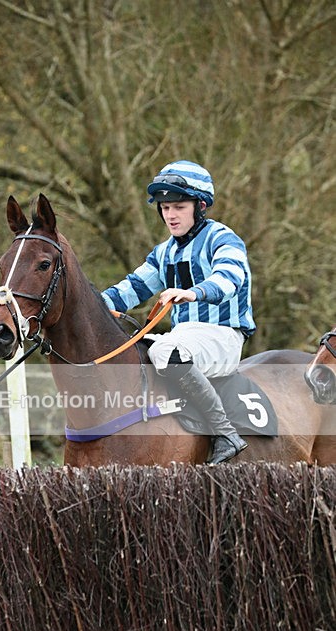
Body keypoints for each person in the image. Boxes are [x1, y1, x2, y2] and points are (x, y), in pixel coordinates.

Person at [101, 159, 255, 464]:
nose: (170, 215)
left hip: (223, 336)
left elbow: (228, 279)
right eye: (164, 207)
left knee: (164, 352)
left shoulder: (223, 239)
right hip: (184, 336)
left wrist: (192, 292)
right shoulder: (164, 253)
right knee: (136, 351)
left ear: (200, 205)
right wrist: (84, 309)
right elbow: (128, 290)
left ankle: (226, 434)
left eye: (178, 207)